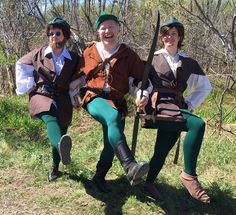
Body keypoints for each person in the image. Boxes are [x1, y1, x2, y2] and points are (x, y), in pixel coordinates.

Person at [69, 12, 153, 192]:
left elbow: (140, 80)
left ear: (118, 29)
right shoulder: (90, 51)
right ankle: (130, 166)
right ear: (98, 31)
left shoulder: (128, 54)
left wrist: (142, 94)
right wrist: (72, 93)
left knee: (112, 139)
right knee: (113, 118)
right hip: (94, 97)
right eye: (103, 28)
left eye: (111, 27)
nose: (107, 31)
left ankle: (99, 177)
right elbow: (80, 75)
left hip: (117, 100)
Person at [142, 17, 212, 203]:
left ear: (180, 37)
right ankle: (189, 175)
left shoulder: (189, 62)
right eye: (166, 33)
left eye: (174, 33)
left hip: (178, 106)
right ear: (162, 37)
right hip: (160, 106)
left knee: (162, 148)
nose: (169, 37)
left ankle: (148, 183)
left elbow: (205, 86)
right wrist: (143, 96)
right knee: (197, 124)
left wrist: (189, 103)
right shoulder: (152, 58)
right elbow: (143, 84)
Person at [15, 17, 80, 182]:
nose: (53, 36)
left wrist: (76, 89)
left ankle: (55, 168)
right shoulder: (38, 53)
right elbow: (21, 64)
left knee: (62, 131)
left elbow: (83, 75)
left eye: (57, 33)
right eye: (50, 33)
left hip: (63, 97)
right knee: (50, 117)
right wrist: (28, 85)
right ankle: (60, 148)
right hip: (41, 94)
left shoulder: (73, 58)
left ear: (65, 36)